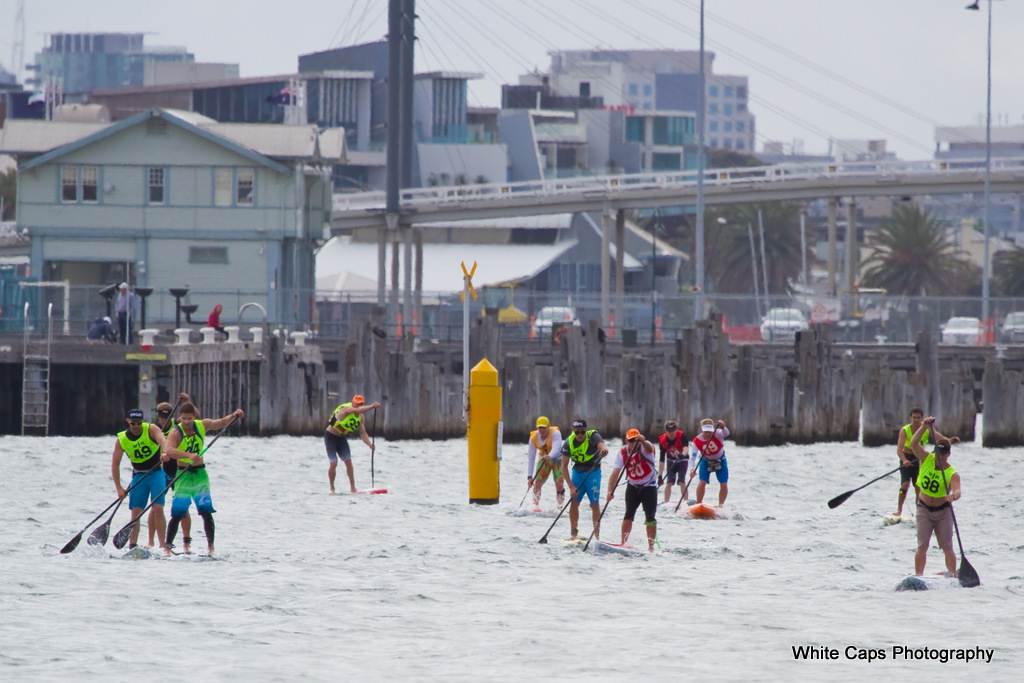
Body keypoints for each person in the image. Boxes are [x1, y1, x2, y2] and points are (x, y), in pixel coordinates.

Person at [162, 403, 244, 556]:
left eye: (190, 418)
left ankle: (211, 547)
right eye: (184, 418)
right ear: (180, 417)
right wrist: (188, 456)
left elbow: (220, 423)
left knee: (206, 511)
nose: (187, 422)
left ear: (194, 417)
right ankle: (168, 547)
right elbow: (169, 450)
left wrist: (234, 415)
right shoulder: (176, 432)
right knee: (178, 512)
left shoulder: (201, 425)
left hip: (200, 474)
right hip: (183, 474)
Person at [110, 408, 169, 550]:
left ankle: (163, 546)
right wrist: (119, 488)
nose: (136, 426)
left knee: (157, 508)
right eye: (133, 423)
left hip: (156, 473)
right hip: (139, 476)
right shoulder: (122, 439)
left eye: (138, 423)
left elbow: (162, 439)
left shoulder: (151, 429)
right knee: (136, 513)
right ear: (128, 422)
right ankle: (132, 545)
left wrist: (165, 451)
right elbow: (115, 464)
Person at [910, 418, 962, 577]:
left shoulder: (952, 473)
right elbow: (913, 444)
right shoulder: (926, 459)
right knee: (922, 546)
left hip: (943, 512)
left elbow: (957, 490)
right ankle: (919, 577)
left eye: (942, 454)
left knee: (947, 546)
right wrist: (924, 427)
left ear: (948, 454)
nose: (939, 457)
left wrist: (952, 496)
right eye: (937, 453)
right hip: (924, 509)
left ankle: (952, 576)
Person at [146, 393, 195, 550]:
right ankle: (151, 541)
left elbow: (196, 419)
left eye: (165, 415)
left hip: (179, 470)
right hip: (163, 471)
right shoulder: (154, 429)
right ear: (157, 415)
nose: (162, 418)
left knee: (183, 508)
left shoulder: (179, 427)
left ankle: (186, 543)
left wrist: (187, 402)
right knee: (155, 507)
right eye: (160, 415)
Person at [608, 428, 659, 551]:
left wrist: (643, 440)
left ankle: (651, 547)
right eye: (630, 441)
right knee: (628, 514)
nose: (633, 443)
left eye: (635, 440)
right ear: (626, 441)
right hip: (633, 486)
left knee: (650, 517)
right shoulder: (622, 453)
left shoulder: (645, 448)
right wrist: (610, 491)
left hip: (649, 486)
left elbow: (650, 448)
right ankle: (623, 543)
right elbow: (615, 473)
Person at [893, 407, 947, 518]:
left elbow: (940, 439)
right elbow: (899, 450)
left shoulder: (926, 429)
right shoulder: (905, 430)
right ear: (910, 418)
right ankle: (899, 510)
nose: (916, 420)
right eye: (914, 417)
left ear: (922, 418)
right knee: (905, 485)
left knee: (919, 488)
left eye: (918, 418)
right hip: (906, 459)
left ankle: (919, 512)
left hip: (920, 460)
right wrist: (905, 460)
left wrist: (947, 442)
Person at [324, 394, 382, 494]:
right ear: (352, 402)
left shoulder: (361, 418)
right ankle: (332, 488)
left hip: (341, 438)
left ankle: (353, 488)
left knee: (349, 462)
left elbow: (363, 433)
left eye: (360, 404)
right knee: (333, 463)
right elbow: (355, 410)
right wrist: (372, 406)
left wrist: (369, 444)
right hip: (330, 436)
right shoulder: (346, 409)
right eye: (356, 403)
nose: (358, 406)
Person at [560, 419, 608, 540]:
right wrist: (571, 486)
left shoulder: (592, 436)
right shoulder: (568, 443)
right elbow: (563, 467)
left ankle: (596, 536)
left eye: (582, 432)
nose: (580, 435)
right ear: (573, 432)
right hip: (578, 473)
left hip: (593, 473)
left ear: (585, 431)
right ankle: (573, 534)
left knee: (594, 504)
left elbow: (601, 445)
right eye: (577, 432)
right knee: (574, 502)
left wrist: (603, 450)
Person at [690, 418, 731, 507]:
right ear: (702, 430)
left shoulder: (719, 433)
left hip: (720, 460)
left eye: (710, 431)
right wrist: (692, 469)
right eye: (706, 431)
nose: (708, 433)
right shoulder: (697, 440)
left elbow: (727, 433)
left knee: (723, 483)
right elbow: (693, 457)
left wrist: (723, 426)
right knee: (702, 482)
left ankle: (721, 505)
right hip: (705, 461)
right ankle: (698, 503)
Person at [528, 416, 565, 509]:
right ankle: (535, 505)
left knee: (559, 483)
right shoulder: (533, 437)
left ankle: (560, 505)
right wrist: (529, 476)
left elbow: (556, 449)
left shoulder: (556, 433)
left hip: (557, 459)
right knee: (537, 483)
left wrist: (549, 456)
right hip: (544, 459)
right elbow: (531, 458)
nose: (542, 430)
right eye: (540, 427)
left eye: (544, 427)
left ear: (548, 426)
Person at [657, 419, 689, 504]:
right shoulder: (662, 440)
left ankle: (685, 502)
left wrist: (682, 454)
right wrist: (660, 475)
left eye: (673, 431)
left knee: (682, 481)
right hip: (671, 460)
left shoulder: (682, 435)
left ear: (676, 430)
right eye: (669, 431)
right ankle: (666, 502)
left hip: (682, 459)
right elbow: (662, 459)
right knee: (669, 482)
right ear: (665, 431)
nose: (671, 433)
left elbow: (686, 448)